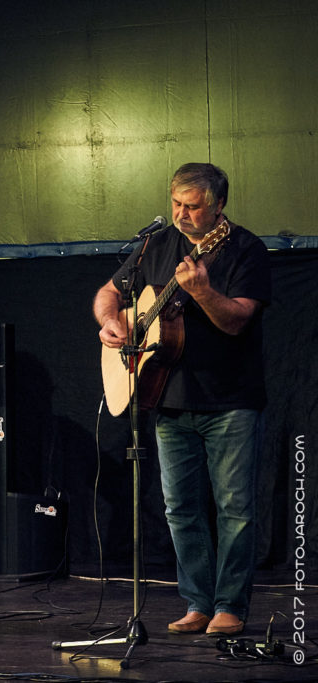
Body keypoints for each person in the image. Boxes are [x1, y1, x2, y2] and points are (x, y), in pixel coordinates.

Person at [93, 163, 270, 636]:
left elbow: (237, 320)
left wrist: (205, 293)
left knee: (234, 508)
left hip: (230, 399)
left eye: (193, 206)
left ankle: (230, 605)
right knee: (180, 508)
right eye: (176, 203)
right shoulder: (157, 243)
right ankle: (197, 602)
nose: (182, 214)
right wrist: (111, 321)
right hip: (168, 399)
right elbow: (109, 292)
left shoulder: (246, 249)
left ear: (219, 207)